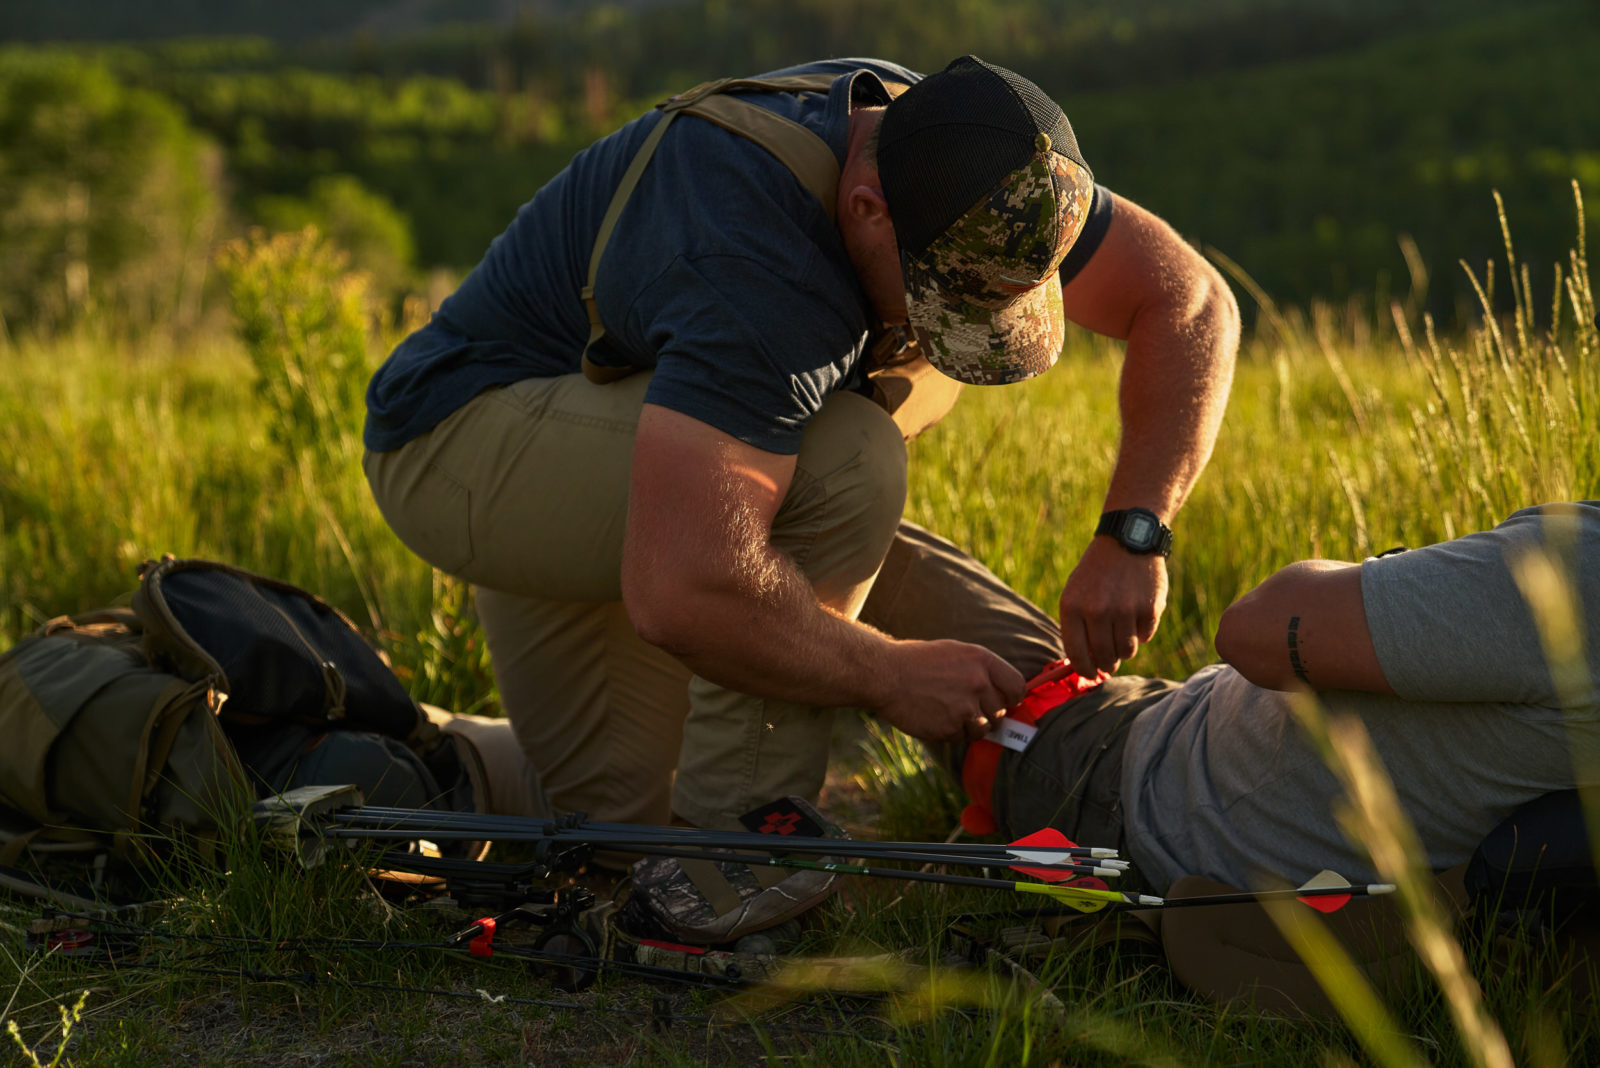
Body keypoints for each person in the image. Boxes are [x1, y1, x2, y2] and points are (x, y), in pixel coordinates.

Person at [362, 55, 1239, 837]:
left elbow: (1192, 302)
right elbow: (683, 589)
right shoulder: (757, 266)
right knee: (847, 461)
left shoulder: (980, 167)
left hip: (657, 448)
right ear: (865, 208)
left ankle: (431, 754)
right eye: (945, 301)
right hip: (465, 446)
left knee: (609, 832)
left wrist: (1135, 532)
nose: (958, 331)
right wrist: (887, 675)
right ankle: (736, 863)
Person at [953, 501, 1600, 894]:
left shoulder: (1579, 573)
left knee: (874, 522)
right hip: (1185, 729)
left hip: (1132, 785)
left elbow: (1251, 630)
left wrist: (1386, 571)